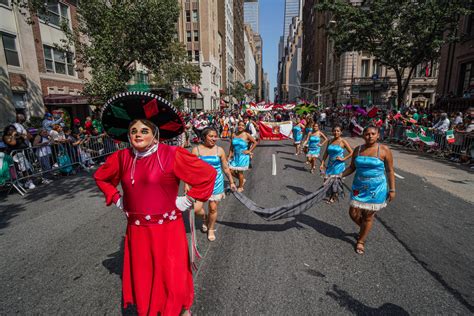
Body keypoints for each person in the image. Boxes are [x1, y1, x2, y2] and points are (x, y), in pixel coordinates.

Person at [95, 93, 217, 315]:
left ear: (155, 134)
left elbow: (207, 175)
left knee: (171, 273)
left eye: (144, 130)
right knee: (145, 275)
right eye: (133, 131)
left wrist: (187, 200)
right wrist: (117, 199)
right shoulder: (122, 158)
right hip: (137, 231)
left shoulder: (171, 154)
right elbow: (101, 177)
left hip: (167, 230)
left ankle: (180, 307)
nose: (138, 135)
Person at [341, 126, 395, 254]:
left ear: (378, 135)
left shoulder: (384, 150)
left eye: (373, 134)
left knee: (368, 216)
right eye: (367, 134)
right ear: (363, 136)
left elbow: (390, 170)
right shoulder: (358, 150)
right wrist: (339, 175)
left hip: (376, 189)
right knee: (353, 213)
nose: (370, 136)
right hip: (358, 187)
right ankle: (364, 229)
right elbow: (352, 167)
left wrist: (392, 189)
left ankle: (361, 241)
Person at [186, 127, 237, 241]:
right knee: (197, 208)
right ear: (204, 137)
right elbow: (190, 169)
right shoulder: (196, 150)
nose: (214, 138)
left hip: (216, 182)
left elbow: (225, 167)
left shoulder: (220, 150)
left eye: (215, 136)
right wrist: (186, 184)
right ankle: (204, 219)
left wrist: (232, 182)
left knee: (213, 208)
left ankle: (211, 228)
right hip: (200, 183)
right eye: (211, 136)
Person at [320, 125, 353, 203]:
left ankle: (333, 197)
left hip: (339, 165)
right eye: (334, 130)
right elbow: (326, 153)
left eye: (338, 131)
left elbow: (351, 152)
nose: (336, 132)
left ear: (341, 132)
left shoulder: (343, 141)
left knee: (335, 182)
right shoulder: (330, 141)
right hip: (330, 165)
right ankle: (333, 194)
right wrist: (322, 163)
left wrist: (343, 158)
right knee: (326, 181)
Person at [228, 121, 257, 192]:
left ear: (244, 127)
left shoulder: (246, 134)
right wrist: (229, 156)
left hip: (243, 156)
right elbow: (231, 147)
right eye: (239, 125)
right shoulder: (234, 135)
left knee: (240, 172)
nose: (241, 126)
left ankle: (241, 187)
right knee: (230, 170)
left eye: (242, 125)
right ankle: (242, 179)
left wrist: (249, 151)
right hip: (236, 156)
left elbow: (255, 142)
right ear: (237, 126)